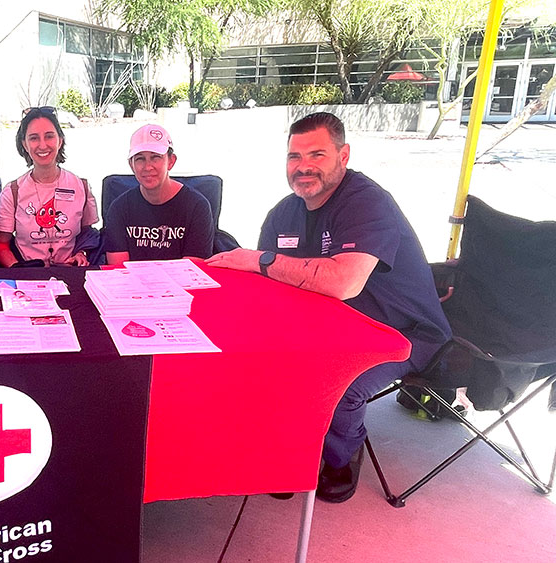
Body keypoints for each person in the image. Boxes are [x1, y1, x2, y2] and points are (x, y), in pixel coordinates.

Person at [206, 112, 451, 503]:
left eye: (317, 154)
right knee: (260, 362)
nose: (303, 166)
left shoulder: (367, 203)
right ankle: (291, 454)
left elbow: (343, 282)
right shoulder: (282, 212)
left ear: (344, 155)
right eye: (293, 156)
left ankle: (340, 455)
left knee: (339, 385)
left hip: (399, 332)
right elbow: (271, 285)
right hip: (326, 327)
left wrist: (260, 260)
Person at [0, 106, 99, 267]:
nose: (42, 145)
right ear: (25, 145)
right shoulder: (12, 192)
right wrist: (17, 268)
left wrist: (81, 254)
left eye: (49, 136)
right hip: (28, 276)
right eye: (34, 138)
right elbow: (0, 245)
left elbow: (88, 234)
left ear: (60, 140)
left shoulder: (81, 187)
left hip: (70, 274)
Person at [103, 124, 213, 265]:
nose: (148, 167)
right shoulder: (119, 208)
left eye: (155, 157)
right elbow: (118, 269)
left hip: (181, 285)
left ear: (171, 161)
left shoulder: (197, 207)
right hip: (132, 285)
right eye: (140, 159)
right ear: (131, 165)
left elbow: (192, 270)